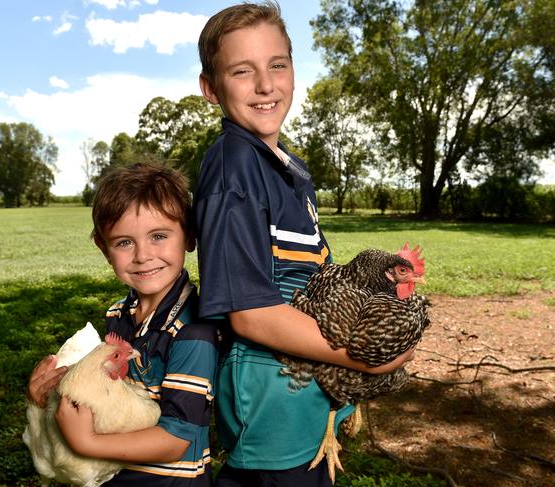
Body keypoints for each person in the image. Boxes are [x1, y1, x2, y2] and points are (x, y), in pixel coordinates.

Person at [194, 2, 414, 486]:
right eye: (241, 71)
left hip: (309, 385)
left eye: (277, 64)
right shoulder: (234, 165)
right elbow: (249, 313)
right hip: (272, 397)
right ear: (210, 88)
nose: (266, 85)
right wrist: (370, 354)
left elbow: (315, 280)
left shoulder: (287, 163)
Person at [27, 163, 218, 487]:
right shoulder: (119, 314)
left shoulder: (193, 333)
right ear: (104, 248)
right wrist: (46, 399)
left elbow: (177, 440)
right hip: (115, 475)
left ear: (189, 236)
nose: (143, 255)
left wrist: (87, 443)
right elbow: (107, 404)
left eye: (158, 236)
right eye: (124, 242)